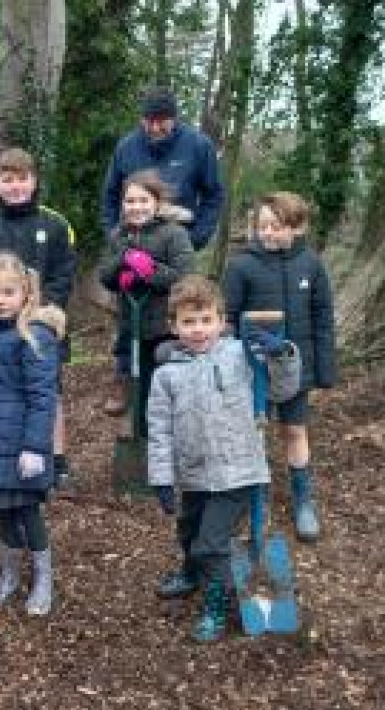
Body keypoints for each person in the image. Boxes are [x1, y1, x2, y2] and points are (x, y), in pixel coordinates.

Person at [147, 275, 301, 642]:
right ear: (173, 326)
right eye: (188, 321)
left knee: (211, 545)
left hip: (239, 471)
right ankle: (191, 573)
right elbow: (160, 431)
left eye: (206, 320)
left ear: (222, 320)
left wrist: (282, 355)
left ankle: (216, 604)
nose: (198, 330)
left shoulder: (242, 355)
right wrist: (161, 478)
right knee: (188, 533)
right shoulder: (166, 375)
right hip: (193, 472)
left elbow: (282, 389)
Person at [100, 86, 225, 415]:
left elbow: (213, 195)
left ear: (175, 117)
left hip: (175, 238)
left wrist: (197, 236)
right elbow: (111, 195)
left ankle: (178, 378)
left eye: (163, 121)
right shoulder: (127, 147)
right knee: (128, 309)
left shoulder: (198, 146)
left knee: (174, 307)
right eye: (149, 121)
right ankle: (125, 376)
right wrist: (116, 239)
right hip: (133, 237)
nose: (155, 127)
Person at [222, 191, 337, 542]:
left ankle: (303, 499)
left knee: (295, 431)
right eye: (263, 227)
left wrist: (324, 369)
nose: (268, 233)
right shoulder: (242, 265)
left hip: (294, 367)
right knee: (251, 433)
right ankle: (245, 499)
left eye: (276, 227)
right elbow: (228, 320)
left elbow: (323, 319)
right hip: (254, 368)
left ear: (297, 227)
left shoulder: (312, 265)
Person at [0, 147, 78, 494]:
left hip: (40, 324)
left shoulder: (56, 224)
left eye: (22, 179)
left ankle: (56, 460)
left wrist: (46, 310)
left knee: (47, 392)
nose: (16, 186)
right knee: (0, 392)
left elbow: (65, 271)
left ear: (34, 181)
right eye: (7, 180)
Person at [0, 252, 65, 617]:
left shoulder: (33, 336)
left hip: (21, 444)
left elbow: (42, 396)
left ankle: (43, 578)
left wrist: (36, 448)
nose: (1, 300)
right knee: (0, 513)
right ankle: (9, 574)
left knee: (27, 512)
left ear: (25, 292)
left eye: (9, 292)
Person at [98, 169, 194, 437]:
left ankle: (167, 444)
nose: (136, 207)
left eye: (143, 200)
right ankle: (141, 439)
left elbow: (184, 278)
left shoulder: (174, 234)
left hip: (164, 329)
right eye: (130, 201)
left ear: (156, 203)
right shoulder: (119, 236)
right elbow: (105, 276)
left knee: (161, 388)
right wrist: (123, 262)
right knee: (137, 386)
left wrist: (148, 270)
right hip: (132, 327)